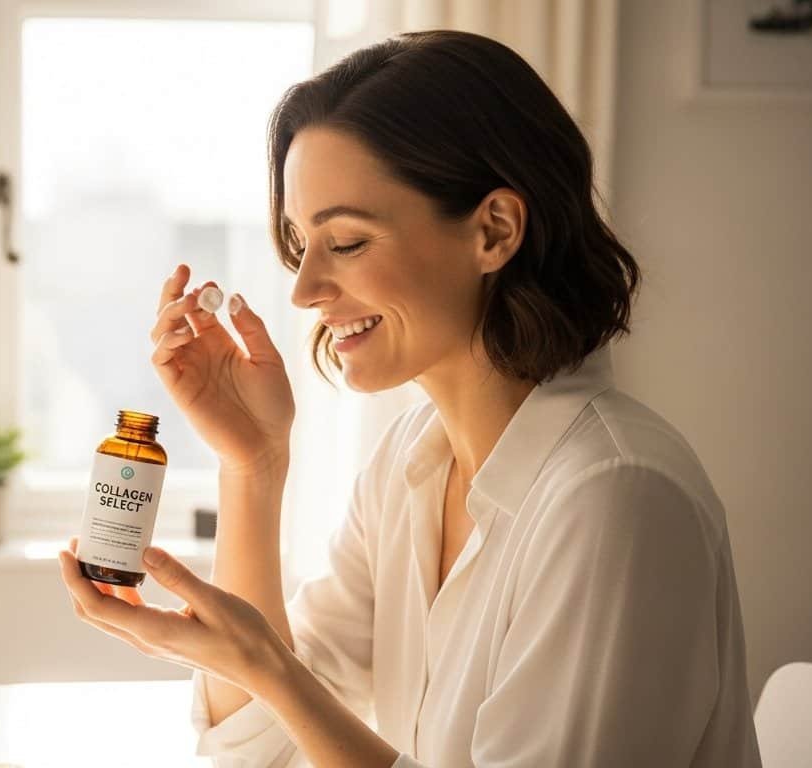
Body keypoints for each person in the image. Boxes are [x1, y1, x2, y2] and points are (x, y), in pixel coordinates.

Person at [56, 30, 761, 767]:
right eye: (301, 242)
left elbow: (283, 695)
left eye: (348, 242)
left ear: (495, 230)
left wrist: (271, 669)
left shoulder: (613, 497)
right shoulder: (409, 465)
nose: (303, 290)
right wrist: (253, 466)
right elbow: (255, 748)